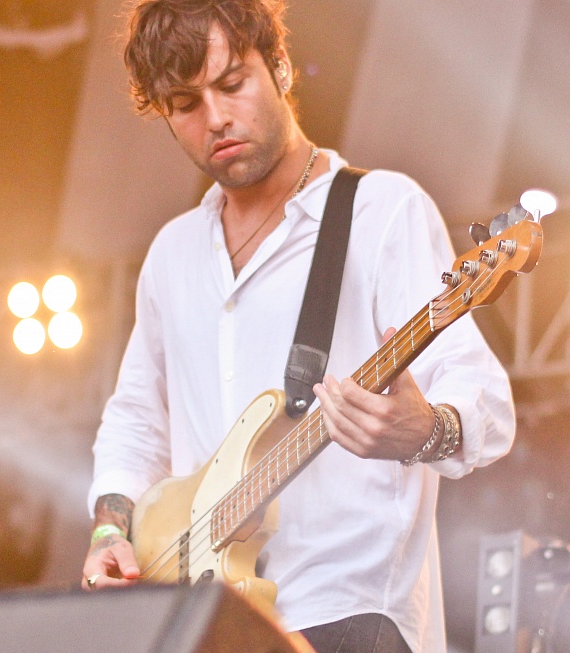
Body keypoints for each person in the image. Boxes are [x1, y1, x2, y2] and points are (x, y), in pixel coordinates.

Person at [81, 1, 516, 651]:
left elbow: (483, 397)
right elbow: (136, 420)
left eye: (232, 84)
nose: (216, 118)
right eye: (185, 103)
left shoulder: (381, 210)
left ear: (280, 67)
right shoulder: (172, 254)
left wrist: (427, 429)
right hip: (205, 617)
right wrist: (108, 531)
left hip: (346, 609)